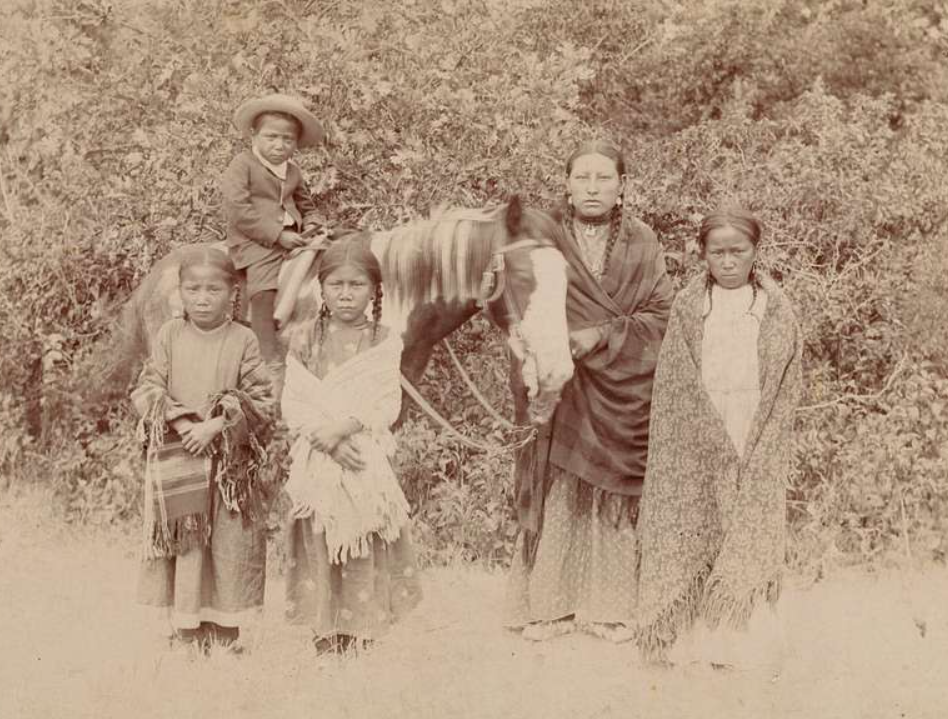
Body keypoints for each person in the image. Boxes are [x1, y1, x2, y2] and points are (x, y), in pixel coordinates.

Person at [507, 140, 674, 642]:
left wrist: (599, 335)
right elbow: (514, 304)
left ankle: (610, 608)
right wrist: (548, 347)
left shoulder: (642, 242)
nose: (594, 187)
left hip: (620, 388)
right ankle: (550, 607)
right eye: (583, 177)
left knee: (611, 491)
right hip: (562, 384)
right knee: (558, 482)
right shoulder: (541, 239)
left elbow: (660, 314)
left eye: (605, 178)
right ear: (567, 184)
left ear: (622, 187)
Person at [635, 207, 803, 672]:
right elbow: (674, 381)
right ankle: (693, 643)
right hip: (699, 428)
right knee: (697, 520)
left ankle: (747, 642)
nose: (728, 262)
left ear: (755, 252)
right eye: (718, 252)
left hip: (751, 425)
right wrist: (697, 431)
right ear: (702, 254)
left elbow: (787, 382)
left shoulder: (774, 307)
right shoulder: (691, 307)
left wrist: (762, 438)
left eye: (738, 251)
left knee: (745, 525)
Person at [281, 239, 422, 654]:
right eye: (336, 284)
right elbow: (295, 400)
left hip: (362, 452)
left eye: (356, 284)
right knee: (322, 536)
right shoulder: (305, 337)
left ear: (374, 290)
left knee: (364, 538)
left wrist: (344, 429)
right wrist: (325, 439)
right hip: (317, 454)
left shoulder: (383, 339)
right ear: (320, 289)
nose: (345, 293)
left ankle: (362, 632)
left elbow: (386, 402)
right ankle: (324, 635)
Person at [132, 246, 275, 652]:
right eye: (193, 289)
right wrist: (180, 422)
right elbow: (148, 386)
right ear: (180, 293)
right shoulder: (170, 335)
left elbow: (261, 397)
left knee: (227, 543)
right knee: (188, 543)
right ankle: (185, 629)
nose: (202, 298)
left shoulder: (243, 338)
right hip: (180, 458)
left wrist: (215, 425)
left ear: (233, 292)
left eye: (214, 289)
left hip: (226, 463)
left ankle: (225, 630)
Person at [221, 93, 328, 396]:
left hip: (292, 240)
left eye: (287, 139)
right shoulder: (242, 165)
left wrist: (313, 224)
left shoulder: (292, 170)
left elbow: (308, 206)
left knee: (332, 256)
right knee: (263, 288)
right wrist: (277, 235)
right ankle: (268, 359)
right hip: (255, 240)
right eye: (271, 137)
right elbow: (238, 210)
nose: (279, 146)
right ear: (254, 135)